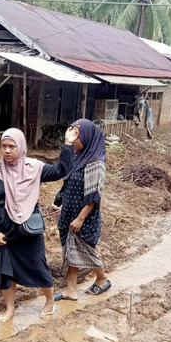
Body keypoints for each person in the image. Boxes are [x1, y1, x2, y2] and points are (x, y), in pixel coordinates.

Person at [0, 127, 78, 320]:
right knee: (5, 270)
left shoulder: (34, 168)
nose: (7, 150)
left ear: (21, 147)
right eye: (4, 146)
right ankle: (10, 309)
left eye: (12, 146)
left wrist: (68, 145)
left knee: (38, 264)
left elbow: (61, 170)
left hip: (29, 230)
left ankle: (50, 302)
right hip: (4, 232)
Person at [53, 119, 109, 302]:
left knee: (83, 250)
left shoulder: (95, 163)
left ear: (86, 138)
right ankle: (71, 290)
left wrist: (80, 218)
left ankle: (102, 278)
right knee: (71, 252)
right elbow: (63, 172)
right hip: (69, 212)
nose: (73, 142)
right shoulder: (78, 157)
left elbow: (94, 195)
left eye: (76, 139)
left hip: (83, 217)